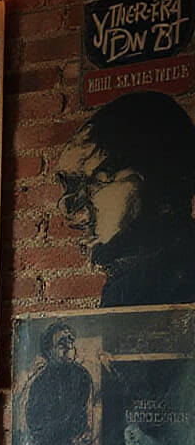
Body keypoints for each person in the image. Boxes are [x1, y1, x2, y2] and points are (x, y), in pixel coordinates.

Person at [55, 93, 195, 305]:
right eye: (70, 187)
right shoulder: (125, 288)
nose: (70, 207)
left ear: (162, 181)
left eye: (100, 179)